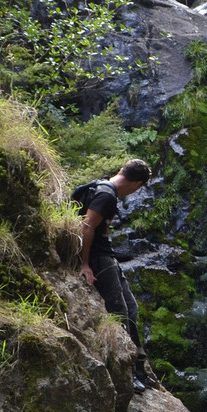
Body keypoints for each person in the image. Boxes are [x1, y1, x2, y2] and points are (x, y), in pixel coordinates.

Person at [77, 158, 158, 393]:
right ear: (137, 183)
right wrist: (84, 264)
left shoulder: (99, 186)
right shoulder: (106, 195)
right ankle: (127, 373)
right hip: (99, 259)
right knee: (120, 313)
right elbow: (86, 226)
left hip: (106, 257)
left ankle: (138, 368)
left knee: (131, 308)